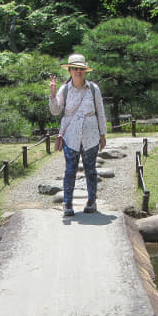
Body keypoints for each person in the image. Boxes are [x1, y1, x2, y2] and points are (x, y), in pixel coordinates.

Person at [49, 54, 107, 216]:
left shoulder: (93, 89)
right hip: (70, 136)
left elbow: (100, 113)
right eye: (75, 69)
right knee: (70, 170)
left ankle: (91, 201)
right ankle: (67, 203)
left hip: (91, 134)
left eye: (81, 69)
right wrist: (52, 94)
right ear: (70, 70)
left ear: (85, 71)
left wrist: (103, 135)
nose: (78, 72)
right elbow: (55, 111)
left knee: (91, 169)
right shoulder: (65, 89)